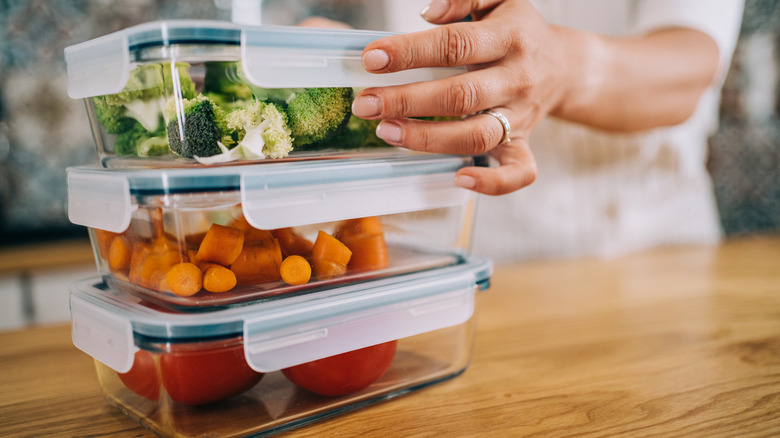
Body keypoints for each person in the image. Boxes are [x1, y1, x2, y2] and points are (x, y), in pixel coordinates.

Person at [343, 0, 745, 260]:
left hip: (650, 254)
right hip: (448, 254)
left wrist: (560, 68)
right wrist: (342, 58)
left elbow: (691, 67)